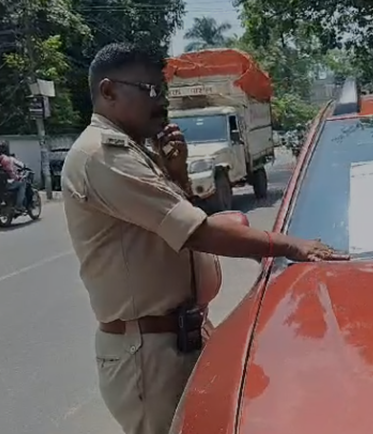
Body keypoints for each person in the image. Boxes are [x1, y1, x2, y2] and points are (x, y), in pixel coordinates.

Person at [60, 42, 348, 434]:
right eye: (149, 91)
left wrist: (176, 176)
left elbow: (173, 223)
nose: (161, 103)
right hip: (148, 351)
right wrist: (288, 245)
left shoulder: (137, 152)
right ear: (108, 92)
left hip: (178, 337)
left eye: (162, 92)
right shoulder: (103, 156)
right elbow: (196, 231)